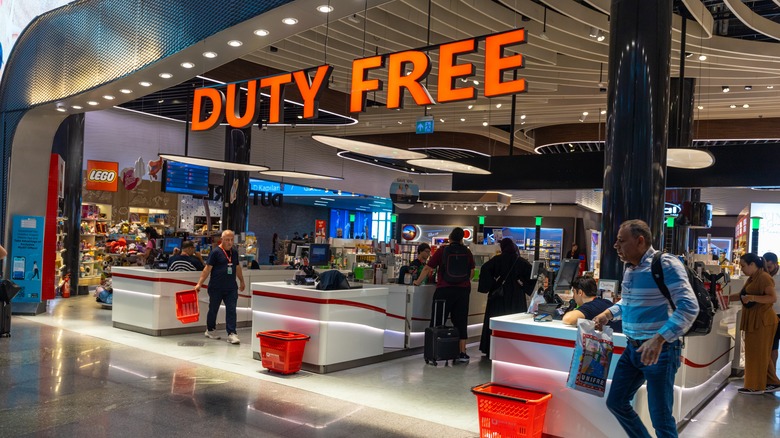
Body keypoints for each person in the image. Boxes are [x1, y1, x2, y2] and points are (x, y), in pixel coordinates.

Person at [593, 219, 698, 438]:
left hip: (660, 352)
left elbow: (689, 307)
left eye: (621, 241)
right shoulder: (630, 268)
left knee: (661, 418)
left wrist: (659, 339)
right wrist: (608, 313)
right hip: (633, 349)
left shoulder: (665, 264)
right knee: (616, 402)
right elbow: (629, 301)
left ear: (640, 241)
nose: (616, 246)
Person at [414, 227, 475, 363]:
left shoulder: (442, 251)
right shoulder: (467, 252)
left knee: (437, 321)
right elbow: (472, 272)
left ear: (450, 238)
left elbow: (427, 268)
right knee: (461, 321)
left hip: (444, 290)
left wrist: (417, 282)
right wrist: (463, 281)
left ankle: (434, 352)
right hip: (463, 291)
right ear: (462, 239)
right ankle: (462, 353)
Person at [727, 253, 780, 394]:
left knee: (756, 353)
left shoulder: (763, 277)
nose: (742, 269)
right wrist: (726, 298)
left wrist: (752, 298)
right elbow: (742, 295)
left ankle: (755, 386)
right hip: (756, 319)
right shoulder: (753, 278)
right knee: (761, 353)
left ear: (752, 265)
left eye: (744, 266)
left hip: (762, 321)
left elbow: (772, 298)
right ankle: (772, 382)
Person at [477, 237, 533, 356]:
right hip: (516, 298)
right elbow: (532, 275)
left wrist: (492, 284)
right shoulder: (521, 261)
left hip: (498, 299)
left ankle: (492, 349)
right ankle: (513, 349)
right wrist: (521, 283)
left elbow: (485, 269)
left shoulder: (496, 260)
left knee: (496, 324)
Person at [194, 230, 246, 345]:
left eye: (232, 240)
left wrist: (242, 281)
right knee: (213, 309)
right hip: (216, 287)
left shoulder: (234, 252)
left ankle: (232, 333)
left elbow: (237, 267)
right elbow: (207, 269)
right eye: (227, 240)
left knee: (231, 310)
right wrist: (199, 284)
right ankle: (210, 329)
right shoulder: (215, 252)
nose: (230, 242)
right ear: (222, 240)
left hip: (231, 287)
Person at [763, 252, 780, 377]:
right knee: (772, 346)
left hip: (779, 313)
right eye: (765, 267)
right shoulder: (763, 275)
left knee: (773, 347)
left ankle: (772, 377)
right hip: (769, 314)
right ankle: (771, 376)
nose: (767, 270)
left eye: (769, 267)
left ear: (775, 264)